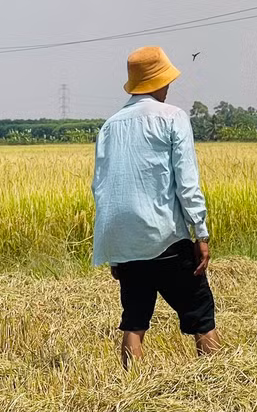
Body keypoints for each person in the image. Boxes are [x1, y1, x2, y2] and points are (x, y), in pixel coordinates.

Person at [92, 46, 219, 369]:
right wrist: (201, 233)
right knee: (201, 316)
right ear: (160, 81)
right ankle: (217, 383)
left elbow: (102, 189)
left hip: (126, 243)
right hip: (167, 237)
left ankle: (131, 388)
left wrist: (114, 250)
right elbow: (186, 182)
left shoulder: (110, 126)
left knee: (134, 321)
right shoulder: (173, 117)